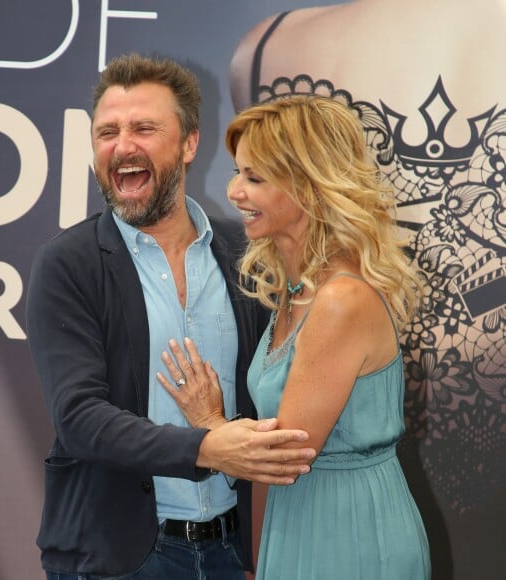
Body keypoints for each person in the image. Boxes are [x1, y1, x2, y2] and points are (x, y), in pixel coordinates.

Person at [26, 54, 317, 580]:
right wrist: (209, 447)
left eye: (144, 128)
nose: (122, 146)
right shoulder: (68, 263)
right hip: (118, 556)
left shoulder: (247, 254)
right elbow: (79, 419)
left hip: (234, 550)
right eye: (107, 132)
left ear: (188, 144)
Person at [158, 95, 431, 579]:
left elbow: (284, 455)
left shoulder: (338, 300)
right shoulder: (296, 288)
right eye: (239, 172)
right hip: (299, 520)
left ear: (310, 187)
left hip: (350, 534)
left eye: (255, 178)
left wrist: (208, 420)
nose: (235, 191)